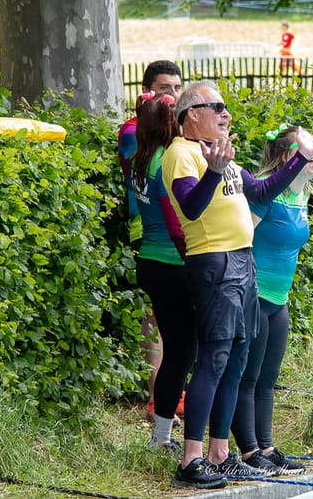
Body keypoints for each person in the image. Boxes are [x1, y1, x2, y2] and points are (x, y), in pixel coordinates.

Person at [162, 80, 313, 489]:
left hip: (242, 262)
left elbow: (265, 190)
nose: (226, 114)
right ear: (191, 115)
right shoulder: (181, 153)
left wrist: (301, 157)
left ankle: (220, 453)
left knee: (236, 360)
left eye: (225, 107)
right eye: (216, 106)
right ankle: (191, 459)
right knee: (214, 360)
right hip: (213, 263)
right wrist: (214, 172)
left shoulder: (221, 155)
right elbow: (190, 206)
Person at [231, 124, 313, 476]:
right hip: (255, 296)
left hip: (279, 299)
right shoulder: (265, 194)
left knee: (268, 378)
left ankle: (267, 447)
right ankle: (248, 451)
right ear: (290, 157)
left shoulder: (301, 194)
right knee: (248, 376)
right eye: (307, 149)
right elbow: (241, 239)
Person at [117, 60, 184, 422]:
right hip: (149, 231)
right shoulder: (134, 133)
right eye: (164, 90)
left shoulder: (173, 138)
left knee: (172, 323)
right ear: (146, 93)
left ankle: (173, 393)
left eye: (177, 88)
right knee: (157, 321)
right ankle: (158, 398)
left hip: (167, 234)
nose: (172, 96)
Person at [131, 90, 197, 451]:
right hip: (173, 264)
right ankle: (164, 437)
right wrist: (194, 259)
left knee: (177, 351)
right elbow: (175, 222)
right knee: (182, 354)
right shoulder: (165, 161)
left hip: (151, 262)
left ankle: (164, 432)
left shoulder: (142, 159)